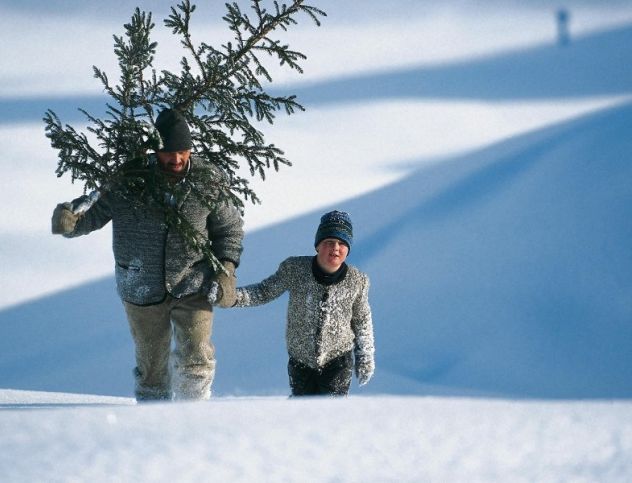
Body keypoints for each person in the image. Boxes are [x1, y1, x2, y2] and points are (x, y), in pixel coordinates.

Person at [51, 108, 244, 401]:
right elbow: (94, 215)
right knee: (151, 367)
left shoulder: (208, 180)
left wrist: (226, 269)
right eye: (168, 152)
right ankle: (152, 424)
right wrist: (69, 222)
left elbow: (229, 229)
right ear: (155, 150)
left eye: (182, 152)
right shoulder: (131, 178)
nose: (176, 159)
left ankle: (194, 416)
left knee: (196, 355)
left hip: (192, 282)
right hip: (140, 284)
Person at [233, 210, 375, 396]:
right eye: (329, 242)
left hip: (338, 358)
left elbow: (362, 320)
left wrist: (365, 355)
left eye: (342, 243)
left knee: (331, 409)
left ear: (348, 249)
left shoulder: (357, 281)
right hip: (301, 358)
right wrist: (232, 296)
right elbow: (263, 291)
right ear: (317, 246)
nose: (335, 248)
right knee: (302, 409)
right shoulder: (295, 269)